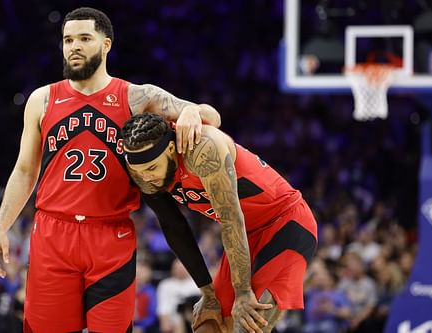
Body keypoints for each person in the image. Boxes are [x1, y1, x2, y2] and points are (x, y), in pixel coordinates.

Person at [0, 7, 221, 333]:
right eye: (68, 40)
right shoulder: (42, 99)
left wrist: (194, 112)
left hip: (111, 235)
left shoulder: (137, 97)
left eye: (85, 38)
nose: (74, 46)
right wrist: (1, 229)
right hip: (53, 234)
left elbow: (212, 116)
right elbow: (25, 171)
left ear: (106, 44)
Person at [121, 113, 318, 333]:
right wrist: (207, 291)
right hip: (246, 232)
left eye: (150, 169)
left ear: (169, 150)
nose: (146, 178)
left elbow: (231, 219)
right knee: (208, 325)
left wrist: (243, 292)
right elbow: (173, 225)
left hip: (285, 222)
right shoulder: (142, 170)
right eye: (139, 172)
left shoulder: (202, 149)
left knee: (250, 324)